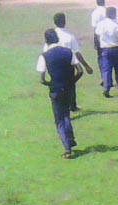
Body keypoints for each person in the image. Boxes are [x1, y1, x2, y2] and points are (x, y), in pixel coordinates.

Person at [37, 29, 83, 159]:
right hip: (68, 88)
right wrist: (71, 81)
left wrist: (50, 84)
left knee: (59, 120)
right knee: (66, 114)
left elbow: (41, 78)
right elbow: (80, 71)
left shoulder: (45, 56)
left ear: (46, 40)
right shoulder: (68, 52)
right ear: (57, 39)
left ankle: (67, 147)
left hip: (56, 90)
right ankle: (71, 139)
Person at [50, 12, 94, 112]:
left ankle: (60, 105)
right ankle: (72, 106)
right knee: (70, 86)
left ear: (54, 23)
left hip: (55, 65)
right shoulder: (69, 36)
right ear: (64, 22)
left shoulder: (51, 35)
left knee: (57, 85)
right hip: (68, 64)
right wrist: (86, 66)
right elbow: (77, 53)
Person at [95, 6, 118, 98]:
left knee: (106, 70)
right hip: (115, 48)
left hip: (105, 49)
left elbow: (97, 35)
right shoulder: (116, 25)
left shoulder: (101, 24)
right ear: (114, 14)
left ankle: (106, 88)